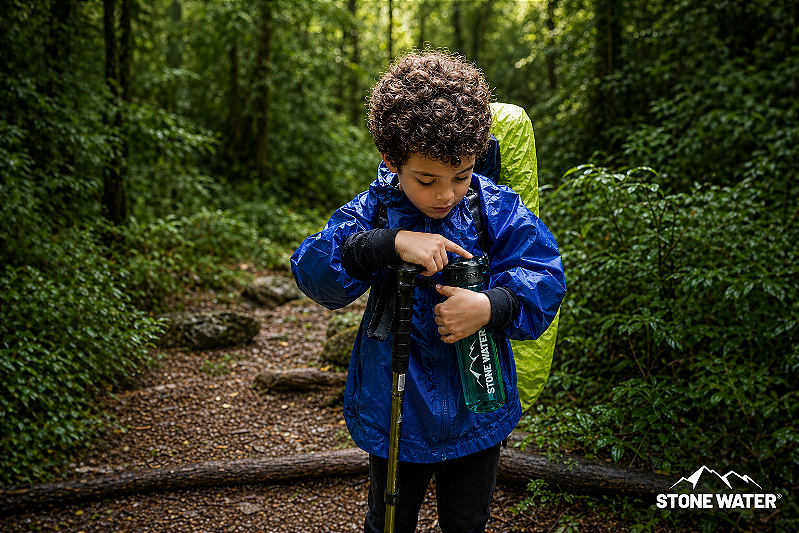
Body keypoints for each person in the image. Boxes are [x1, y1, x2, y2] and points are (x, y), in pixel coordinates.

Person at [291, 51, 566, 533]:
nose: (446, 194)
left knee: (467, 522)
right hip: (395, 409)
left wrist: (489, 305)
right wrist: (387, 243)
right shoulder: (373, 212)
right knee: (390, 521)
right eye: (426, 180)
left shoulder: (493, 209)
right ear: (391, 160)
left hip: (478, 408)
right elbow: (314, 270)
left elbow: (544, 277)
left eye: (460, 176)